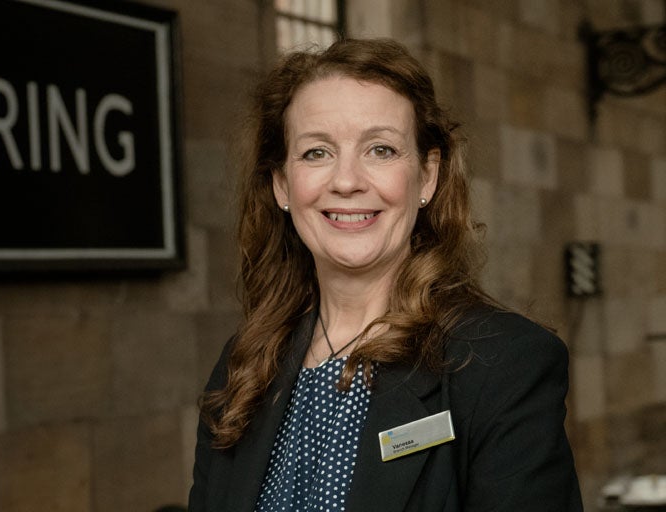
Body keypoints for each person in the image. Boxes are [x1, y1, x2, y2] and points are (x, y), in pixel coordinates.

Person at [188, 38, 582, 511]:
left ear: (427, 176)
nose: (348, 180)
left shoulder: (503, 365)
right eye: (317, 152)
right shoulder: (245, 365)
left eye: (380, 149)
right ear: (281, 184)